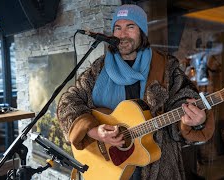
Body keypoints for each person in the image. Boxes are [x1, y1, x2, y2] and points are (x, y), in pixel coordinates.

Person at [57, 4, 215, 180]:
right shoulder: (98, 69)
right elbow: (68, 102)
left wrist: (197, 121)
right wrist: (92, 129)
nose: (122, 34)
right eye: (118, 28)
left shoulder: (166, 67)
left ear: (142, 32)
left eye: (130, 27)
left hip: (158, 168)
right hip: (109, 168)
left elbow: (185, 99)